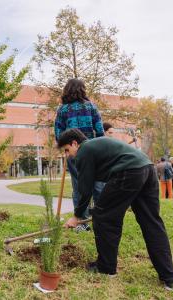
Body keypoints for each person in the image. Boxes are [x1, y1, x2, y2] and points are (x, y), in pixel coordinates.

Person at [59, 129, 173, 290]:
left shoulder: (84, 150)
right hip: (148, 168)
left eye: (67, 149)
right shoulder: (97, 145)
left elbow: (84, 189)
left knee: (103, 217)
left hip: (128, 172)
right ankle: (169, 277)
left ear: (75, 143)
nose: (68, 155)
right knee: (151, 222)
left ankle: (106, 267)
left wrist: (77, 215)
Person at [54, 78, 104, 231]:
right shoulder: (91, 107)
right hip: (93, 152)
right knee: (98, 186)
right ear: (82, 90)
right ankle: (101, 220)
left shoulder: (62, 110)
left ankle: (81, 222)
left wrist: (66, 148)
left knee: (79, 187)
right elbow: (100, 131)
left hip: (74, 155)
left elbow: (58, 133)